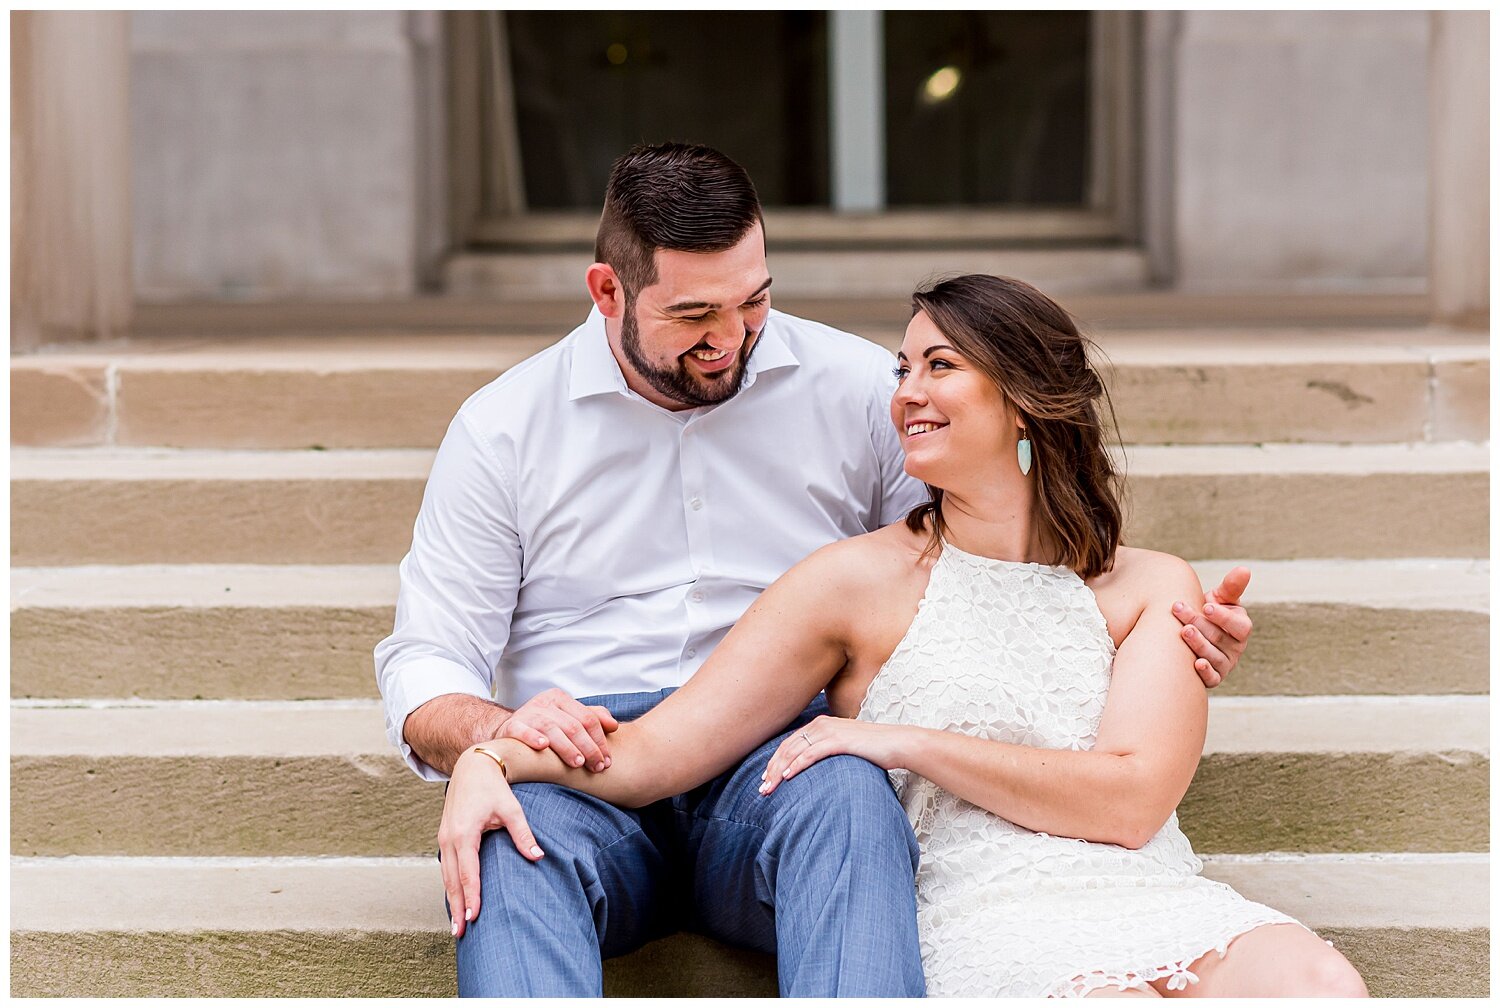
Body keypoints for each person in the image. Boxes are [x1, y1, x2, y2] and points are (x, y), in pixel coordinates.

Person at [376, 143, 1253, 997]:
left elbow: (965, 576)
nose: (729, 337)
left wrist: (1150, 644)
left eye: (752, 302)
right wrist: (497, 741)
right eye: (694, 317)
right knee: (507, 835)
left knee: (846, 787)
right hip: (590, 766)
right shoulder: (503, 429)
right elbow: (427, 660)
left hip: (782, 764)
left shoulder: (857, 388)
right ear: (608, 291)